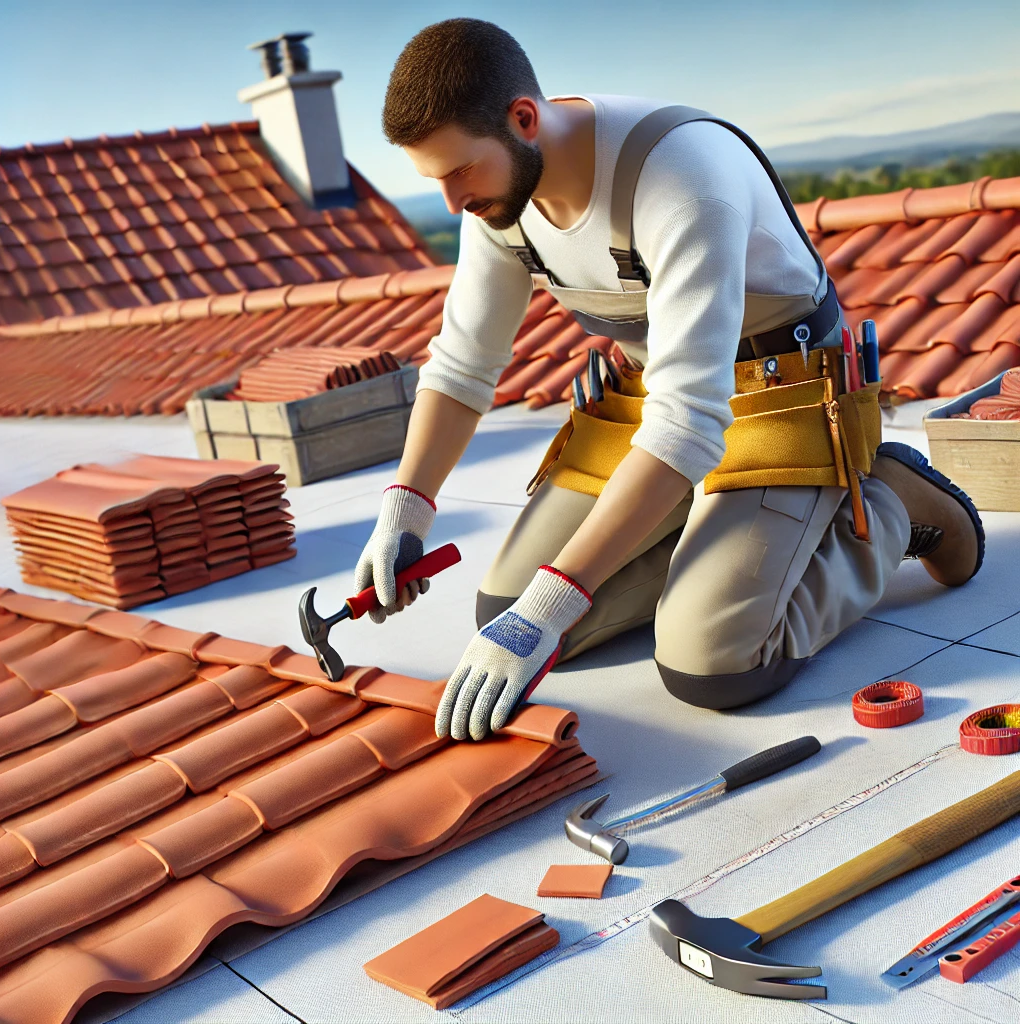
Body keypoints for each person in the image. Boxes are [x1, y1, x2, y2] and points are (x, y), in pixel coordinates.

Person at [353, 18, 984, 742]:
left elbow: (688, 424)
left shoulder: (680, 175)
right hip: (661, 400)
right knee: (503, 605)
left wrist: (552, 605)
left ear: (523, 119)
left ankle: (890, 502)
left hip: (783, 394)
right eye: (433, 179)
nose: (451, 201)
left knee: (712, 665)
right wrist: (406, 509)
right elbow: (463, 366)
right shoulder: (497, 200)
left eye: (459, 171)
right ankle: (703, 522)